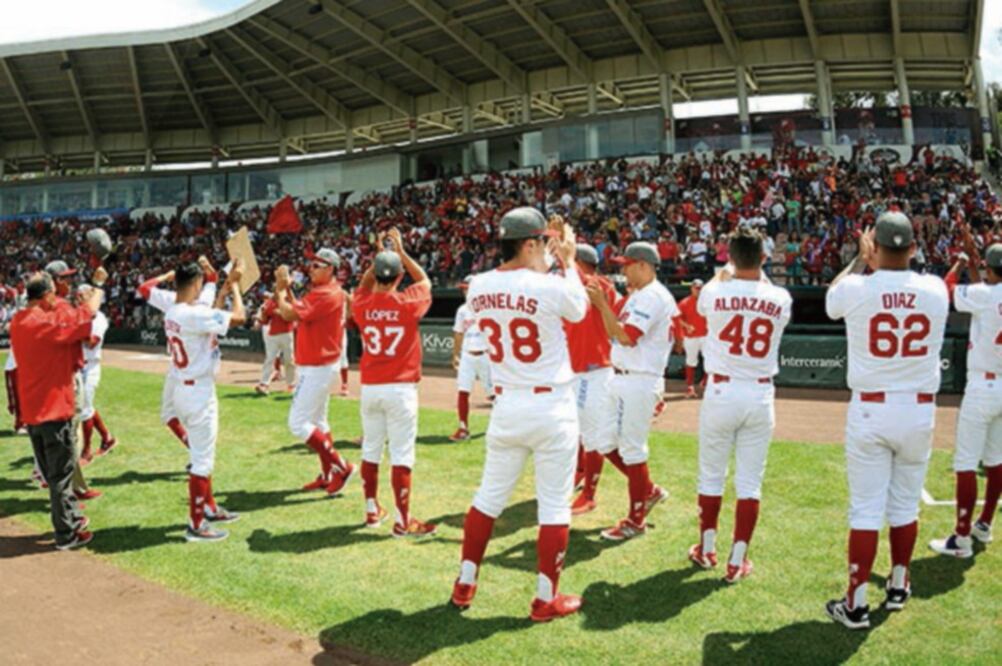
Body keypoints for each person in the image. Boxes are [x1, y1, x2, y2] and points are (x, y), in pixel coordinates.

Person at [450, 208, 588, 622]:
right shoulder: (548, 285)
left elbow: (517, 283)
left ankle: (465, 581)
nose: (546, 248)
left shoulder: (477, 286)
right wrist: (568, 258)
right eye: (541, 242)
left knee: (488, 498)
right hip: (551, 406)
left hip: (508, 403)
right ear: (529, 243)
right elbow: (579, 309)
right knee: (553, 507)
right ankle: (545, 598)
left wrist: (552, 257)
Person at [824, 212, 949, 630]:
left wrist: (862, 261)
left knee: (865, 509)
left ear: (873, 247)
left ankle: (856, 604)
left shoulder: (858, 285)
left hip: (871, 408)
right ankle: (898, 584)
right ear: (913, 248)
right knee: (904, 504)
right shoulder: (934, 289)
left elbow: (831, 301)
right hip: (918, 409)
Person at [687, 228, 792, 583]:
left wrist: (728, 268)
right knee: (750, 483)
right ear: (764, 258)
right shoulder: (781, 297)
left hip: (721, 390)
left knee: (711, 475)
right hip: (760, 393)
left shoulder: (715, 290)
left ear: (729, 257)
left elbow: (714, 288)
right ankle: (737, 559)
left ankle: (707, 548)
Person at [587, 242, 677, 541]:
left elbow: (626, 337)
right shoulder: (639, 295)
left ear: (644, 265)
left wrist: (601, 306)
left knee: (632, 449)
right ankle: (648, 490)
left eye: (627, 265)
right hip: (623, 376)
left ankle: (635, 520)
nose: (622, 270)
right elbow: (617, 332)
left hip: (640, 378)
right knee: (603, 441)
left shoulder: (652, 296)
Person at [352, 229, 436, 537]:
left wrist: (378, 260)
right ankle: (403, 521)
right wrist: (401, 254)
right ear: (400, 276)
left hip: (371, 387)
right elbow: (425, 280)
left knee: (371, 450)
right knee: (401, 454)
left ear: (375, 274)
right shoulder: (407, 302)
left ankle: (372, 510)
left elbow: (362, 286)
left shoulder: (361, 304)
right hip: (400, 388)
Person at [11, 272, 102, 550]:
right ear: (48, 294)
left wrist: (62, 298)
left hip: (32, 412)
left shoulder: (19, 321)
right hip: (54, 410)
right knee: (60, 477)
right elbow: (87, 317)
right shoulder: (48, 322)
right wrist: (97, 286)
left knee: (54, 476)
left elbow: (66, 318)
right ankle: (67, 533)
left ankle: (70, 519)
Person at [929, 240, 1002, 558]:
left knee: (965, 464)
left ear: (989, 268)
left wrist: (959, 265)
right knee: (996, 460)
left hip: (982, 386)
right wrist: (976, 265)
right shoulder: (987, 293)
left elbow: (946, 292)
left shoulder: (985, 294)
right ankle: (984, 524)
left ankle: (961, 538)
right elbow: (984, 294)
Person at [164, 260, 245, 542]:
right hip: (198, 391)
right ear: (196, 284)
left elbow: (206, 314)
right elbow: (239, 317)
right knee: (202, 462)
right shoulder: (191, 314)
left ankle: (208, 509)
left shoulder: (176, 311)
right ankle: (196, 525)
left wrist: (221, 291)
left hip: (185, 388)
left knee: (199, 455)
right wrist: (235, 286)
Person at [274, 248, 354, 496]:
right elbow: (299, 307)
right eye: (311, 264)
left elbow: (288, 313)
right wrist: (287, 290)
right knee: (319, 422)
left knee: (298, 424)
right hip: (322, 364)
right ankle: (327, 474)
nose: (311, 268)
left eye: (317, 265)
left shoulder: (326, 293)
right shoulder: (330, 291)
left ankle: (341, 466)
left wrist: (279, 288)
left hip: (317, 366)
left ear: (330, 268)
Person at [137, 257, 219, 450]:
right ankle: (194, 446)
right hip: (195, 369)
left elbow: (144, 288)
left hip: (183, 369)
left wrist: (165, 276)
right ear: (197, 283)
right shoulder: (204, 301)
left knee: (174, 415)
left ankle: (195, 449)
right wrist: (209, 270)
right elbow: (213, 281)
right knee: (179, 416)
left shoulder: (172, 301)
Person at [564, 243, 621, 516]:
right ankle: (580, 474)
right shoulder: (573, 284)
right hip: (577, 370)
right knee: (578, 432)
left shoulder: (599, 284)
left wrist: (565, 252)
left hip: (594, 370)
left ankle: (590, 495)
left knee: (595, 437)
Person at [449, 275, 493, 442]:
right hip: (468, 355)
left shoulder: (487, 307)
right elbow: (458, 332)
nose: (464, 291)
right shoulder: (462, 310)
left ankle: (500, 426)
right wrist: (456, 354)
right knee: (463, 391)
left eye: (467, 288)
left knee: (494, 395)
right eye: (463, 289)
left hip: (486, 355)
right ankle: (463, 428)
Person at [77, 284, 116, 463]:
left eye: (83, 295)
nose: (79, 298)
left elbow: (92, 342)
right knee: (86, 406)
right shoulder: (78, 314)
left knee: (85, 409)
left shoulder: (99, 318)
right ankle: (107, 438)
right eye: (77, 295)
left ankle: (86, 451)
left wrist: (75, 331)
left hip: (90, 366)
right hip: (77, 366)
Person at [255, 291, 296, 395]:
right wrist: (262, 316)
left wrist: (280, 312)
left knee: (289, 360)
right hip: (273, 334)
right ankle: (264, 384)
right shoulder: (270, 303)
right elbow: (264, 319)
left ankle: (291, 385)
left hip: (287, 333)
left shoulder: (288, 300)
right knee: (270, 359)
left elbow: (291, 315)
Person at [675, 279, 708, 398]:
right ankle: (690, 387)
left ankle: (705, 381)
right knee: (691, 361)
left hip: (706, 335)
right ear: (692, 288)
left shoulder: (707, 302)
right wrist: (687, 326)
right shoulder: (685, 302)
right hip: (691, 337)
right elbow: (676, 317)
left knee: (710, 359)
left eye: (700, 288)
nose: (698, 290)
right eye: (696, 288)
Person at [338, 292, 351, 397]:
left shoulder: (342, 293)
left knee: (343, 357)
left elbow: (350, 299)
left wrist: (348, 314)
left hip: (339, 330)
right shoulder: (323, 294)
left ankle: (344, 384)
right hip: (325, 331)